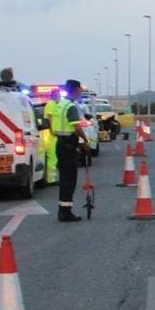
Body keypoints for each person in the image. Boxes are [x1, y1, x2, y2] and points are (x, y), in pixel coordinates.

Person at [53, 80, 89, 222]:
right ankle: (65, 213)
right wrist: (85, 140)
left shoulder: (60, 104)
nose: (80, 93)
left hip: (60, 143)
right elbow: (77, 127)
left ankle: (63, 210)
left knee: (64, 180)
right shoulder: (71, 107)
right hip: (68, 145)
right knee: (69, 181)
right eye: (79, 90)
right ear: (75, 90)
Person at [42, 89, 60, 186]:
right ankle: (50, 180)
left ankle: (50, 179)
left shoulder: (53, 104)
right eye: (57, 95)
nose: (59, 97)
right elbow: (49, 117)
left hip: (50, 133)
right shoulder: (51, 104)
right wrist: (52, 131)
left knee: (52, 157)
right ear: (53, 96)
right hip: (50, 134)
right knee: (52, 157)